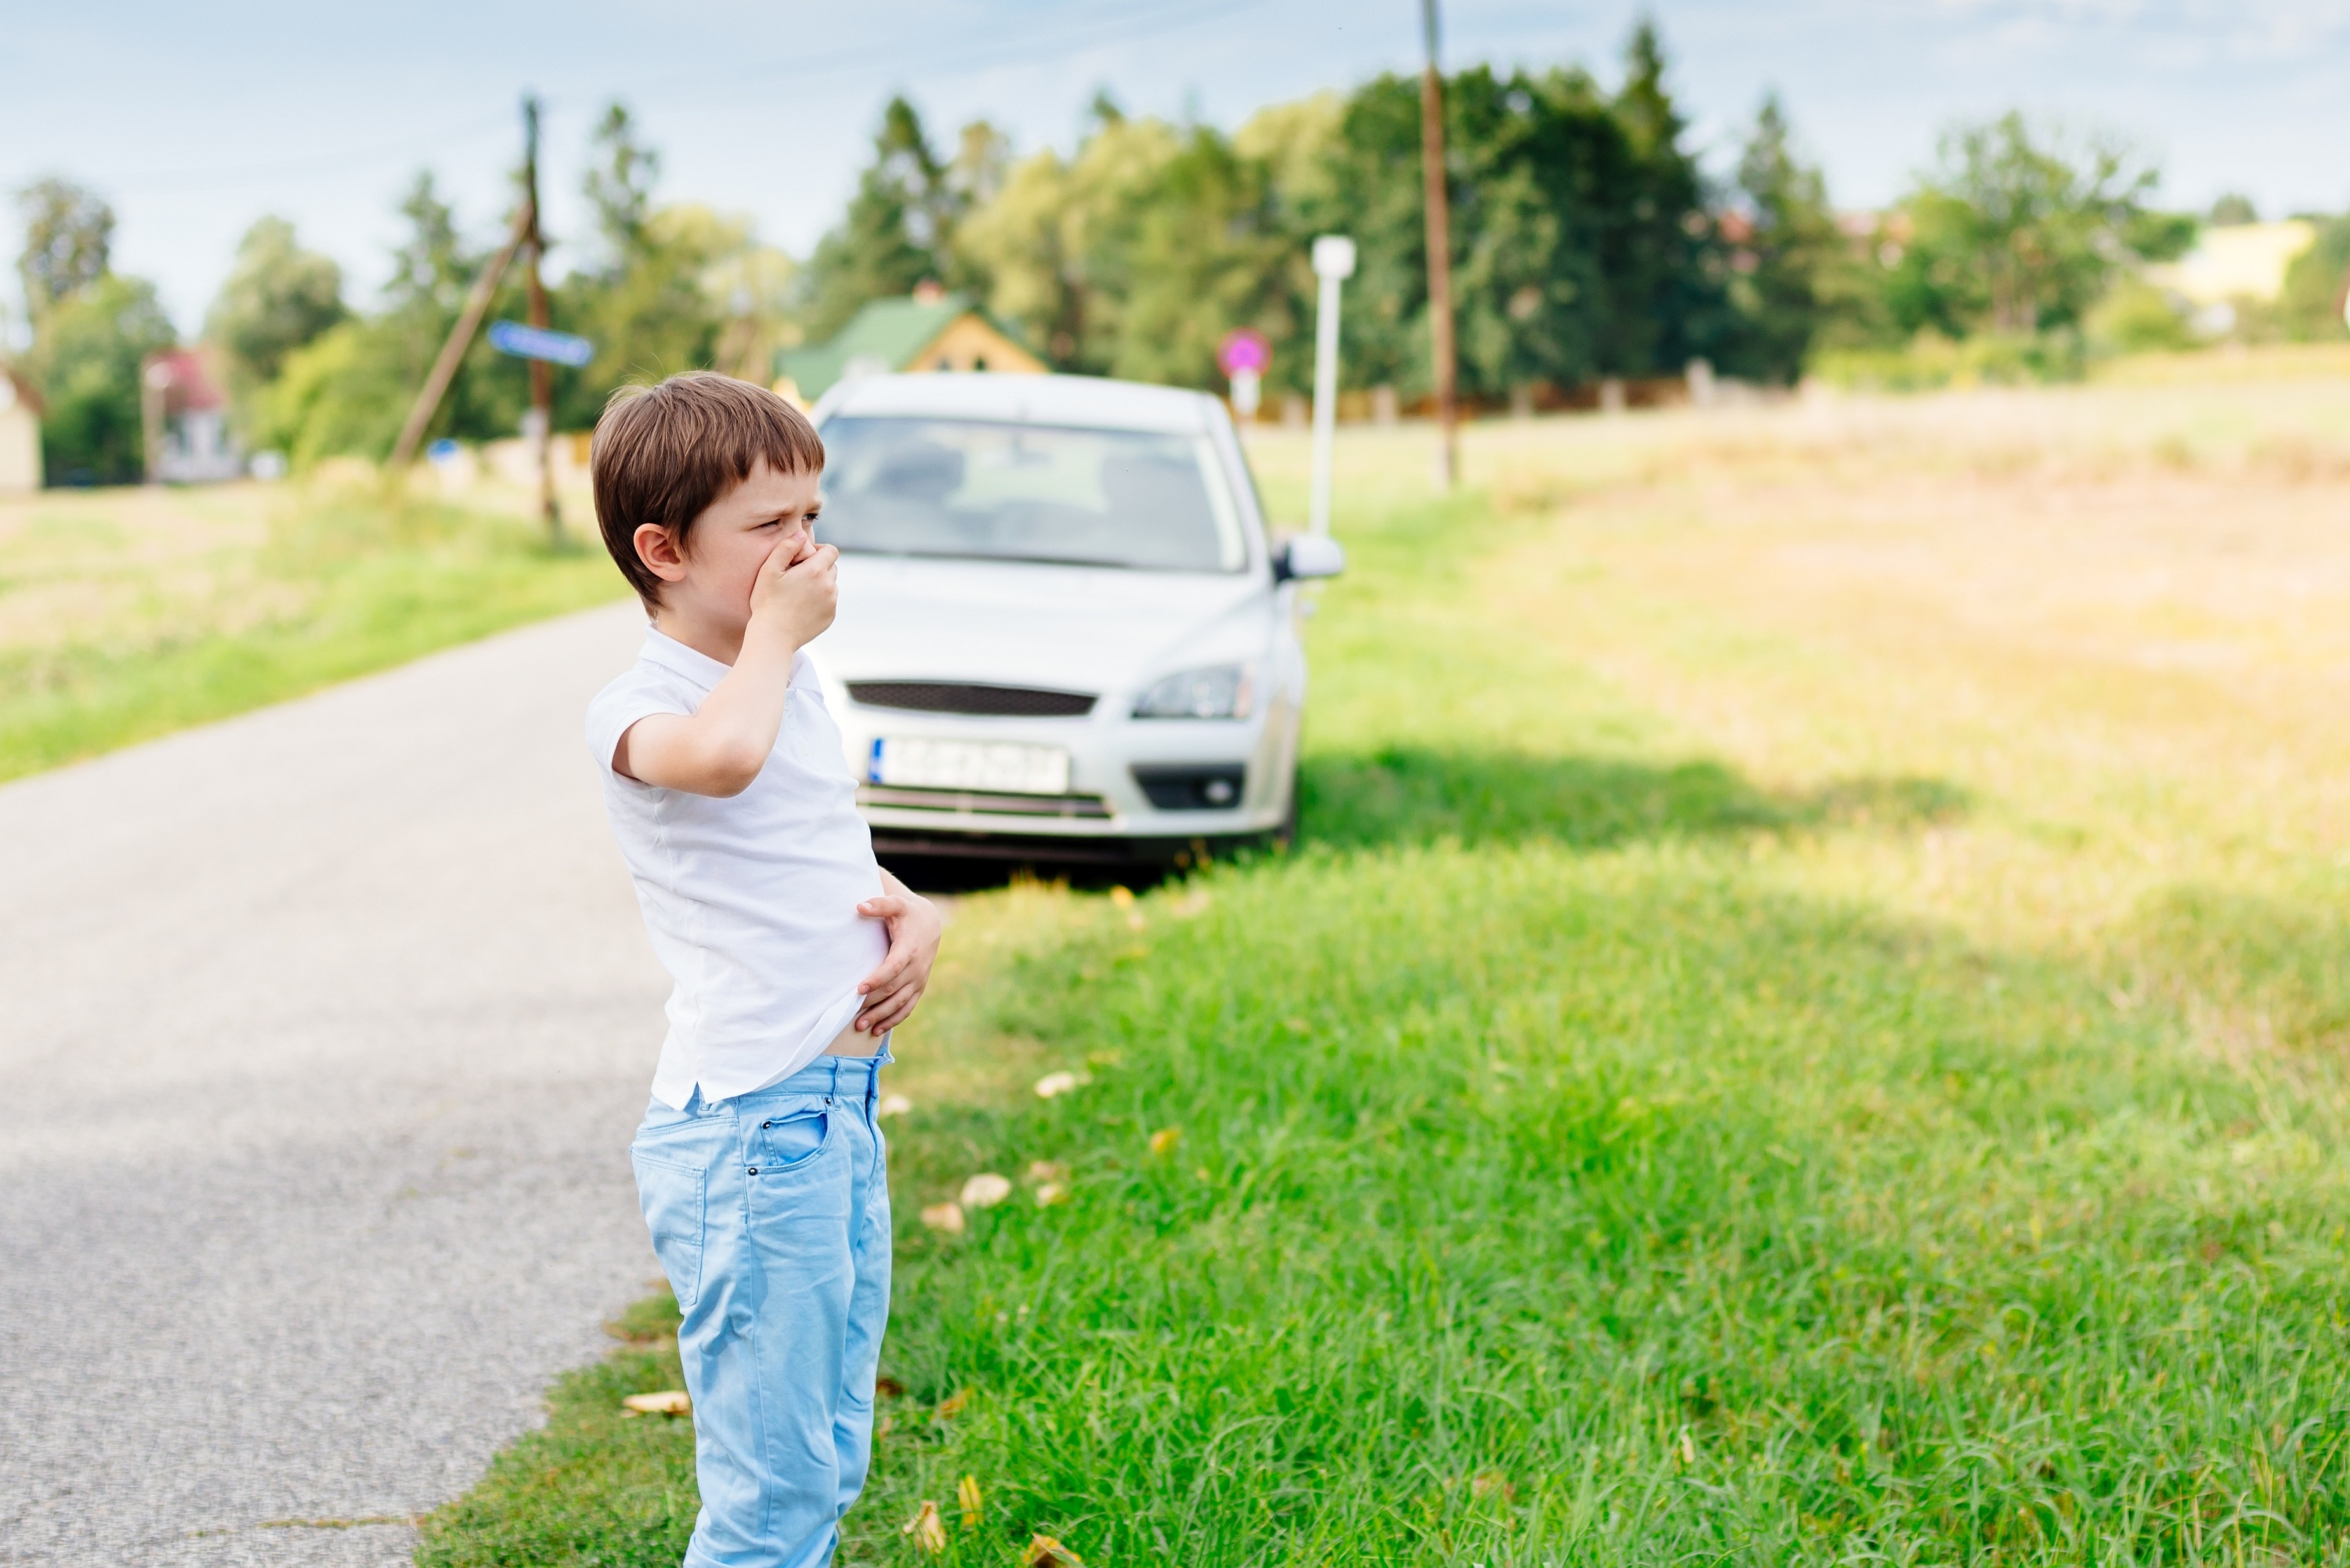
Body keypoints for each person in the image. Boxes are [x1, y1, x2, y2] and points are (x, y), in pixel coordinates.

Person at [582, 371, 942, 1568]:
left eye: (814, 514)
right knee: (768, 1496)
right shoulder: (641, 708)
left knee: (824, 1458)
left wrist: (912, 916)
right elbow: (725, 761)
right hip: (749, 1130)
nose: (808, 547)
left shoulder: (783, 682)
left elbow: (820, 848)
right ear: (663, 550)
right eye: (770, 524)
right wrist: (780, 638)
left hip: (835, 1113)